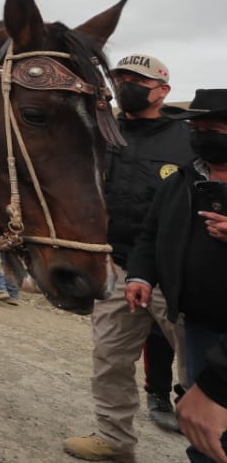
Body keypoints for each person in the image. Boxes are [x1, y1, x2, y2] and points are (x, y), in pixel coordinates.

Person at [65, 54, 192, 463]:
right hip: (117, 267)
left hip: (177, 271)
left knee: (199, 365)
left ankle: (212, 444)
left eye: (135, 78)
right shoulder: (102, 132)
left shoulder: (188, 137)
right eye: (119, 77)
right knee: (110, 359)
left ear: (163, 90)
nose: (124, 84)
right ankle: (114, 440)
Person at [126, 89, 227, 463]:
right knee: (201, 419)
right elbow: (151, 234)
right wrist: (140, 275)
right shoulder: (181, 180)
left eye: (212, 128)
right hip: (197, 323)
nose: (200, 135)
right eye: (195, 128)